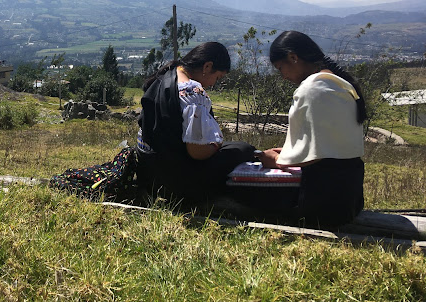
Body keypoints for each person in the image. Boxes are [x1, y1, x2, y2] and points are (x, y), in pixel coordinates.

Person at [255, 30, 366, 226]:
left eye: (281, 68)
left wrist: (276, 160)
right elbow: (328, 145)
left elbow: (315, 156)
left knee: (245, 194)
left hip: (322, 201)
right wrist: (291, 153)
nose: (283, 76)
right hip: (350, 196)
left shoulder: (311, 89)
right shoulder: (339, 84)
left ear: (293, 57)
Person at [136, 42, 256, 203]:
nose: (213, 83)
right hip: (173, 179)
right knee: (243, 149)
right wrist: (216, 145)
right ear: (207, 66)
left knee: (233, 148)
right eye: (217, 77)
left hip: (149, 168)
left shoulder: (167, 75)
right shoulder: (192, 92)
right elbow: (197, 152)